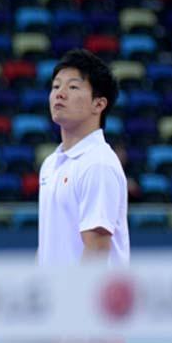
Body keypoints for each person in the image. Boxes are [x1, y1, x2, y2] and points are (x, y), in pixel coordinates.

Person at [38, 49, 130, 266]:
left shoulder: (97, 163)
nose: (60, 93)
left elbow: (97, 248)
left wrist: (74, 299)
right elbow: (47, 246)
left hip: (89, 297)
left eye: (73, 87)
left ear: (98, 104)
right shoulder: (51, 164)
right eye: (56, 86)